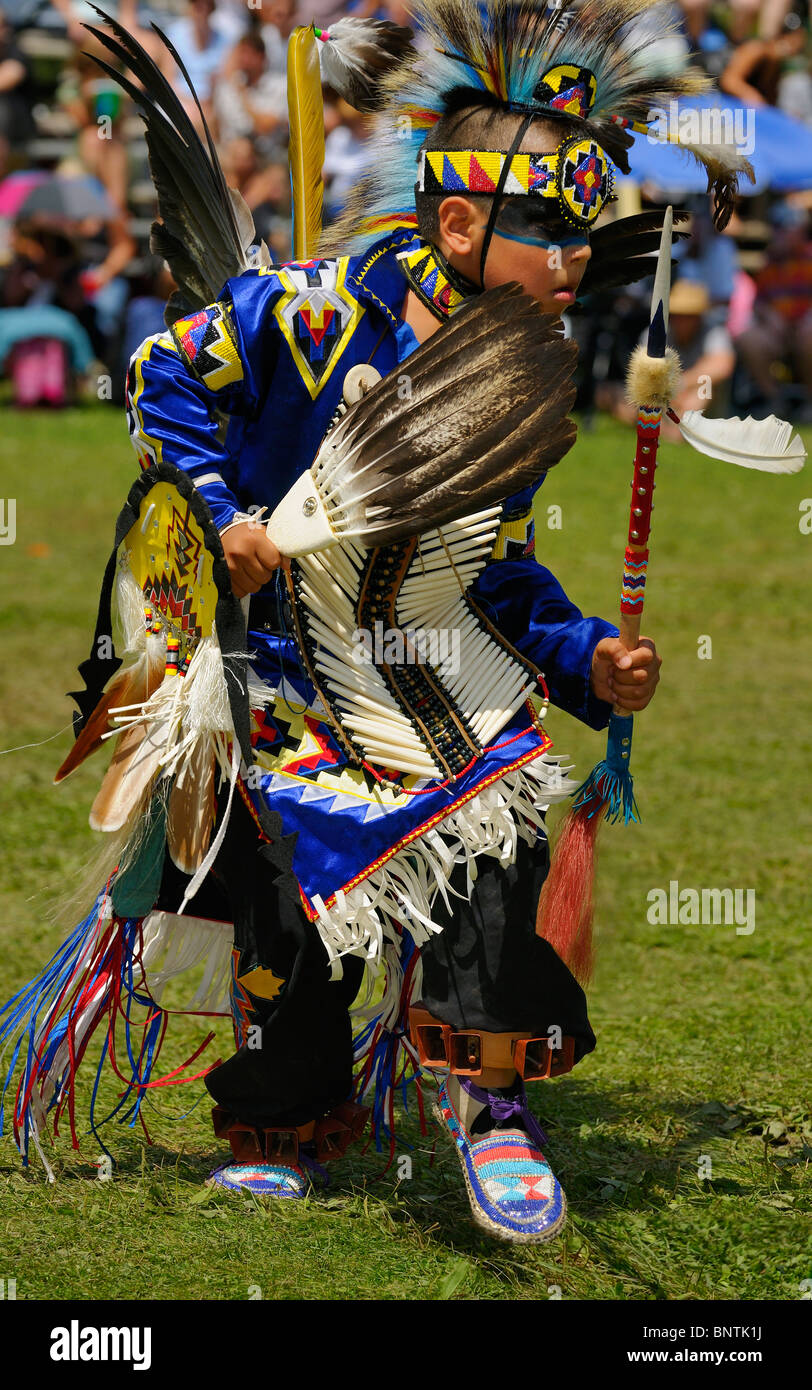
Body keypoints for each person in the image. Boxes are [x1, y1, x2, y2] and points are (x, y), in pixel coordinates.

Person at [2, 0, 750, 1244]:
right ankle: (284, 1120)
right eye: (548, 233)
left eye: (583, 238)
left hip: (435, 670)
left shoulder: (519, 375)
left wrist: (586, 659)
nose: (572, 264)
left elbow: (494, 574)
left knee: (496, 824)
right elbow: (162, 373)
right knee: (280, 904)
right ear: (456, 223)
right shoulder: (311, 313)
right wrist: (227, 509)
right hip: (287, 670)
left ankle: (487, 1100)